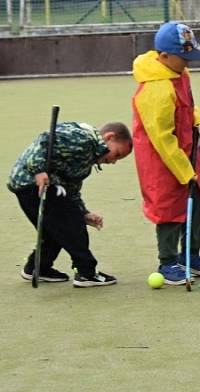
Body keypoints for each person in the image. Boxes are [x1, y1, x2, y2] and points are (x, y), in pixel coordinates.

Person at [132, 22, 200, 286]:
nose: (189, 63)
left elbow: (189, 106)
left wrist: (199, 121)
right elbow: (161, 137)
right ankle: (168, 261)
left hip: (187, 149)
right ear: (165, 56)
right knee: (169, 208)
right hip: (162, 159)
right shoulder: (157, 89)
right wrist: (184, 171)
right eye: (185, 58)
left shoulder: (179, 74)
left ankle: (191, 255)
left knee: (198, 197)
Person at [8, 121, 132, 287]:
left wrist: (83, 213)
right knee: (72, 226)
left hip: (29, 186)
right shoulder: (82, 140)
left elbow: (71, 190)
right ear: (109, 137)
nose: (114, 162)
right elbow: (45, 140)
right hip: (34, 184)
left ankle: (37, 268)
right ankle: (86, 272)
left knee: (53, 231)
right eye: (117, 154)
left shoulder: (87, 161)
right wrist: (39, 170)